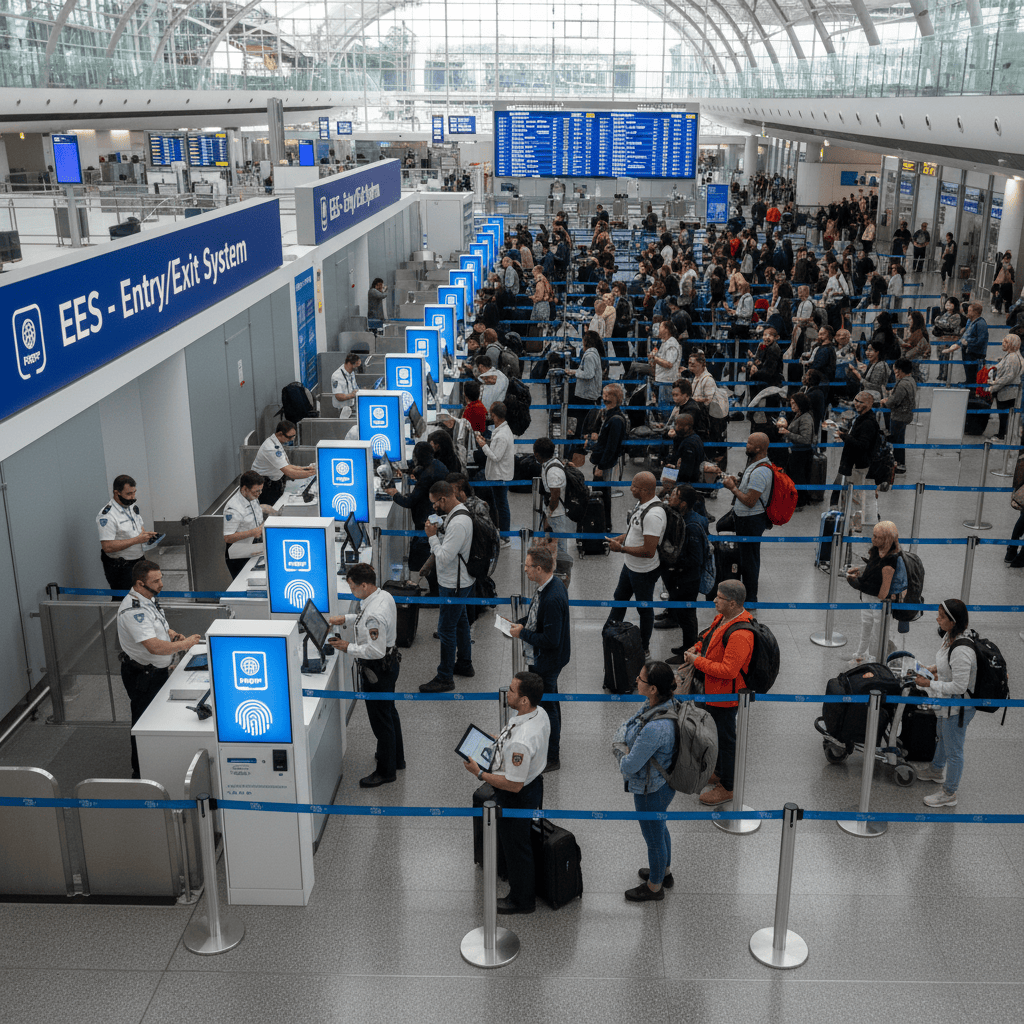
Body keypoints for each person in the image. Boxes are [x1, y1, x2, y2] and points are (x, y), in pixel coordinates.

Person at [462, 671, 550, 914]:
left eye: (512, 690)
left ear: (524, 700)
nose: (507, 693)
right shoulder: (538, 713)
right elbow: (512, 741)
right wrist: (497, 740)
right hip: (533, 782)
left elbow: (513, 784)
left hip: (518, 797)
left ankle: (522, 900)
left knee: (517, 847)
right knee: (519, 842)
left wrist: (479, 773)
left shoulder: (521, 741)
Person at [116, 560, 202, 777]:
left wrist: (171, 634)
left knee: (156, 717)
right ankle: (140, 772)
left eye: (161, 578)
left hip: (155, 671)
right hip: (143, 676)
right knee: (143, 722)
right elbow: (153, 646)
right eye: (156, 581)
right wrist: (186, 644)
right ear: (139, 583)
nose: (161, 583)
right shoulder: (133, 611)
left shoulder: (148, 599)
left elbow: (157, 626)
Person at [328, 563, 403, 787]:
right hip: (390, 664)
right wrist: (347, 619)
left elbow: (375, 650)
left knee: (381, 722)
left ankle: (386, 771)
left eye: (352, 588)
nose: (351, 591)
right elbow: (365, 618)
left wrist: (346, 646)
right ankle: (396, 758)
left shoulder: (374, 615)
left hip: (378, 670)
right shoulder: (383, 595)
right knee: (389, 713)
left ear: (364, 585)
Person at [681, 579, 754, 806]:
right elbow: (709, 638)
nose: (714, 600)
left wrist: (697, 661)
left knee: (726, 739)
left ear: (732, 603)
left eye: (719, 598)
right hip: (713, 692)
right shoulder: (723, 618)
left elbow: (728, 671)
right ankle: (720, 771)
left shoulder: (741, 634)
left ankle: (729, 786)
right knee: (717, 736)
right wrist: (697, 647)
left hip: (726, 697)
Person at [613, 660, 679, 902]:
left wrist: (619, 750)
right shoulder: (663, 703)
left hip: (651, 790)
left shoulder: (655, 727)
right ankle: (665, 872)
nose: (636, 682)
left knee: (653, 838)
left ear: (653, 689)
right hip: (664, 783)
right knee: (660, 829)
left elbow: (630, 765)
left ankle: (654, 887)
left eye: (641, 679)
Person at [509, 546, 570, 771]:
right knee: (550, 702)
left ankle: (553, 756)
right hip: (547, 658)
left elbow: (551, 639)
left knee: (549, 707)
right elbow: (537, 616)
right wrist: (521, 624)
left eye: (527, 566)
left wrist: (522, 633)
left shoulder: (552, 597)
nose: (524, 570)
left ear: (539, 568)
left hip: (547, 661)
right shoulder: (547, 587)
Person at [913, 599, 978, 808]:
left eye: (941, 616)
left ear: (953, 621)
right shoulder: (949, 637)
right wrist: (931, 668)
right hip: (947, 703)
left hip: (959, 707)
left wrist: (931, 683)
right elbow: (945, 663)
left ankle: (950, 793)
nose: (937, 618)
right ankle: (936, 769)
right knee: (942, 733)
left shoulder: (961, 651)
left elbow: (959, 687)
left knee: (954, 749)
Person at [603, 471, 668, 658]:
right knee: (619, 598)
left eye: (634, 487)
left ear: (645, 490)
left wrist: (621, 549)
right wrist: (622, 539)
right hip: (630, 566)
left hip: (643, 571)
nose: (631, 489)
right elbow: (635, 531)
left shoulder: (654, 514)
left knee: (644, 608)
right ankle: (609, 634)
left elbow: (649, 551)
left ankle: (644, 647)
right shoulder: (642, 504)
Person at [420, 480, 475, 692]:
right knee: (460, 621)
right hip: (459, 580)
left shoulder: (459, 523)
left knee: (446, 628)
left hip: (454, 583)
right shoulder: (457, 514)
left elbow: (443, 557)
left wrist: (432, 537)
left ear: (443, 499)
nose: (433, 507)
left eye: (435, 503)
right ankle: (464, 663)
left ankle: (445, 677)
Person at [654, 484, 708, 654]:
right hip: (682, 577)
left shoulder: (691, 526)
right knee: (684, 614)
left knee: (687, 616)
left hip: (687, 578)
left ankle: (689, 650)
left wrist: (674, 564)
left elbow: (695, 559)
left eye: (675, 495)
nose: (670, 496)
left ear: (683, 503)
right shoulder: (684, 518)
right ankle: (688, 647)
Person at [719, 432, 772, 605]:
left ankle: (750, 598)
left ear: (758, 448)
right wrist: (739, 482)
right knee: (746, 557)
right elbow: (748, 488)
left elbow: (750, 501)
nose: (746, 446)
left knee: (750, 560)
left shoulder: (761, 471)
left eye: (749, 443)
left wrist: (733, 488)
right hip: (745, 519)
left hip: (751, 520)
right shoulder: (754, 464)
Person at [387, 441, 448, 578]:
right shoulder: (436, 465)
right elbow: (420, 471)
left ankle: (432, 587)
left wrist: (394, 494)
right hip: (434, 514)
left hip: (426, 518)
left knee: (425, 555)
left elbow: (409, 502)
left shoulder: (427, 476)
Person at [845, 520, 901, 664]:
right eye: (873, 536)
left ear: (887, 539)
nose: (873, 539)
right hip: (867, 598)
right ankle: (861, 653)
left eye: (877, 537)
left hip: (878, 602)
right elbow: (872, 567)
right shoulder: (876, 551)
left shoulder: (890, 561)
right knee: (865, 627)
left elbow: (883, 591)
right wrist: (861, 573)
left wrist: (860, 584)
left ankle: (876, 660)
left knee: (877, 633)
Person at [97, 474, 157, 595]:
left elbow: (139, 528)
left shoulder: (131, 507)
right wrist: (137, 540)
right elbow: (107, 547)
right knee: (125, 600)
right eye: (128, 494)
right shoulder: (107, 515)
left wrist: (146, 536)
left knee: (146, 594)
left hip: (138, 560)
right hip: (121, 567)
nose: (132, 497)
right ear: (117, 493)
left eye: (134, 492)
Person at [829, 391, 880, 522]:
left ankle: (855, 523)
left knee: (855, 496)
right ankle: (845, 517)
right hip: (850, 463)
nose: (856, 403)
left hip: (857, 465)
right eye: (855, 400)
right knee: (843, 490)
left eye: (860, 402)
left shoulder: (868, 423)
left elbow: (862, 445)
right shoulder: (860, 418)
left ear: (869, 404)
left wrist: (844, 436)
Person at [588, 383, 629, 530]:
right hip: (602, 462)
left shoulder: (616, 420)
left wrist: (601, 466)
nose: (605, 398)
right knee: (599, 493)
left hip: (605, 465)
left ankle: (605, 524)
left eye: (608, 395)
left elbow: (611, 447)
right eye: (604, 395)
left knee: (603, 494)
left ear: (617, 398)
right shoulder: (607, 414)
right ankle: (600, 522)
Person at [251, 420, 315, 505]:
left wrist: (307, 469)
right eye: (289, 437)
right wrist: (313, 473)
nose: (291, 439)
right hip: (264, 486)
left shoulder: (276, 443)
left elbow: (288, 466)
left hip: (273, 482)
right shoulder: (271, 448)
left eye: (293, 436)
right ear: (280, 434)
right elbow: (290, 473)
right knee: (270, 510)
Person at [475, 401, 513, 542]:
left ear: (495, 416)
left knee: (501, 505)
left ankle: (505, 536)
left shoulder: (502, 435)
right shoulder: (502, 431)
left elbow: (495, 457)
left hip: (500, 474)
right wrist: (489, 442)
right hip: (499, 473)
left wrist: (483, 445)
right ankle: (503, 533)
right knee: (499, 503)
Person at [222, 470, 265, 578]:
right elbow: (228, 537)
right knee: (244, 584)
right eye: (256, 491)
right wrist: (252, 532)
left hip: (254, 547)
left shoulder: (252, 497)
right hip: (239, 554)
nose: (259, 494)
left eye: (260, 490)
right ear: (245, 489)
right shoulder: (233, 508)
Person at [533, 437, 570, 554]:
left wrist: (548, 516)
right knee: (551, 547)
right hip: (552, 512)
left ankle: (563, 571)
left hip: (557, 515)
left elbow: (555, 498)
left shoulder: (553, 472)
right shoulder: (550, 463)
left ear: (538, 455)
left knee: (559, 549)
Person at [778, 393, 814, 506]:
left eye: (794, 403)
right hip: (796, 451)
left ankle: (800, 501)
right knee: (794, 475)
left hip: (801, 453)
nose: (791, 405)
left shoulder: (805, 418)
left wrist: (788, 433)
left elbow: (806, 439)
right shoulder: (799, 415)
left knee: (798, 477)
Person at [880, 359, 916, 472]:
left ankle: (899, 464)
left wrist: (885, 401)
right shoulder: (911, 380)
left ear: (899, 371)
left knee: (897, 440)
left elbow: (893, 401)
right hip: (906, 415)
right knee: (900, 439)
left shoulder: (902, 384)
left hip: (899, 416)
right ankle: (899, 463)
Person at [987, 333, 1024, 440]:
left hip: (1007, 392)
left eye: (1006, 342)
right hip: (1005, 390)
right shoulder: (1010, 355)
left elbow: (1008, 376)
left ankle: (1002, 435)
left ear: (1013, 344)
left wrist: (995, 385)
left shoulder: (1012, 358)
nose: (1003, 343)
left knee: (1004, 415)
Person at [951, 302, 989, 387]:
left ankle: (972, 391)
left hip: (974, 354)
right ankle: (968, 382)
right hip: (968, 351)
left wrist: (968, 343)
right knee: (969, 372)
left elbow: (981, 341)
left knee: (972, 373)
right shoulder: (972, 322)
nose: (967, 313)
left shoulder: (981, 324)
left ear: (975, 313)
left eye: (969, 311)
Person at [931, 296, 966, 383]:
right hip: (941, 338)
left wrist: (938, 322)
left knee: (946, 357)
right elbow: (941, 324)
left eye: (950, 304)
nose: (948, 305)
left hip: (949, 338)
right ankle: (941, 373)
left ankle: (944, 375)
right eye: (946, 303)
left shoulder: (956, 315)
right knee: (940, 356)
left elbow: (948, 325)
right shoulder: (944, 314)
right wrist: (940, 323)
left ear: (955, 305)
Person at [649, 320, 682, 408]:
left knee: (666, 407)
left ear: (666, 330)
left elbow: (669, 364)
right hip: (662, 379)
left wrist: (655, 358)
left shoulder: (672, 344)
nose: (658, 330)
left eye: (660, 327)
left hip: (668, 380)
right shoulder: (664, 343)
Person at [331, 351, 362, 415]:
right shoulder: (337, 376)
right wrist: (352, 395)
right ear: (350, 364)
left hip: (351, 407)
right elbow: (339, 396)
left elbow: (354, 387)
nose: (357, 368)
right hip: (341, 411)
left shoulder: (351, 373)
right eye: (356, 365)